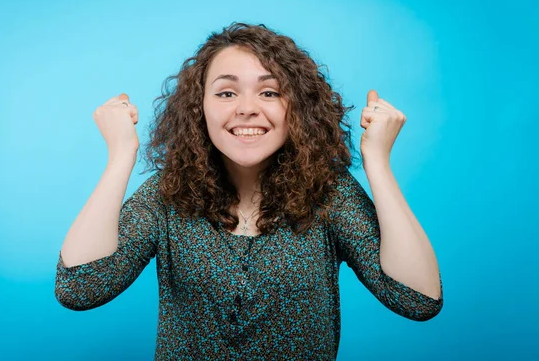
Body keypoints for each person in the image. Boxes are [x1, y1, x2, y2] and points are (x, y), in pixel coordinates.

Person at [55, 22, 443, 360]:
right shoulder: (168, 195)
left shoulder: (330, 194)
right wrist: (122, 155)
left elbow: (417, 300)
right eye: (226, 93)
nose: (247, 109)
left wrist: (377, 162)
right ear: (199, 108)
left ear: (297, 108)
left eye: (269, 92)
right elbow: (79, 288)